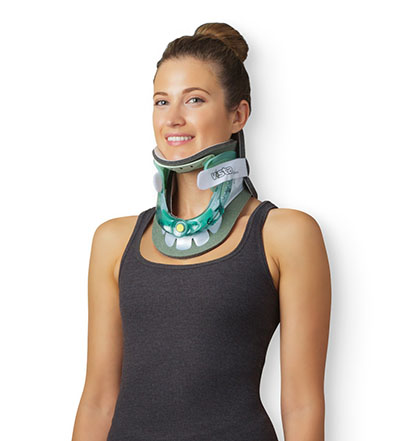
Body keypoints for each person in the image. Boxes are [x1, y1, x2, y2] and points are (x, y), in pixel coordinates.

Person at [71, 22, 331, 441]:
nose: (173, 118)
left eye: (194, 99)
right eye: (161, 101)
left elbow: (302, 404)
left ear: (238, 115)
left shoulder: (285, 235)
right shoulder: (113, 241)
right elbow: (98, 400)